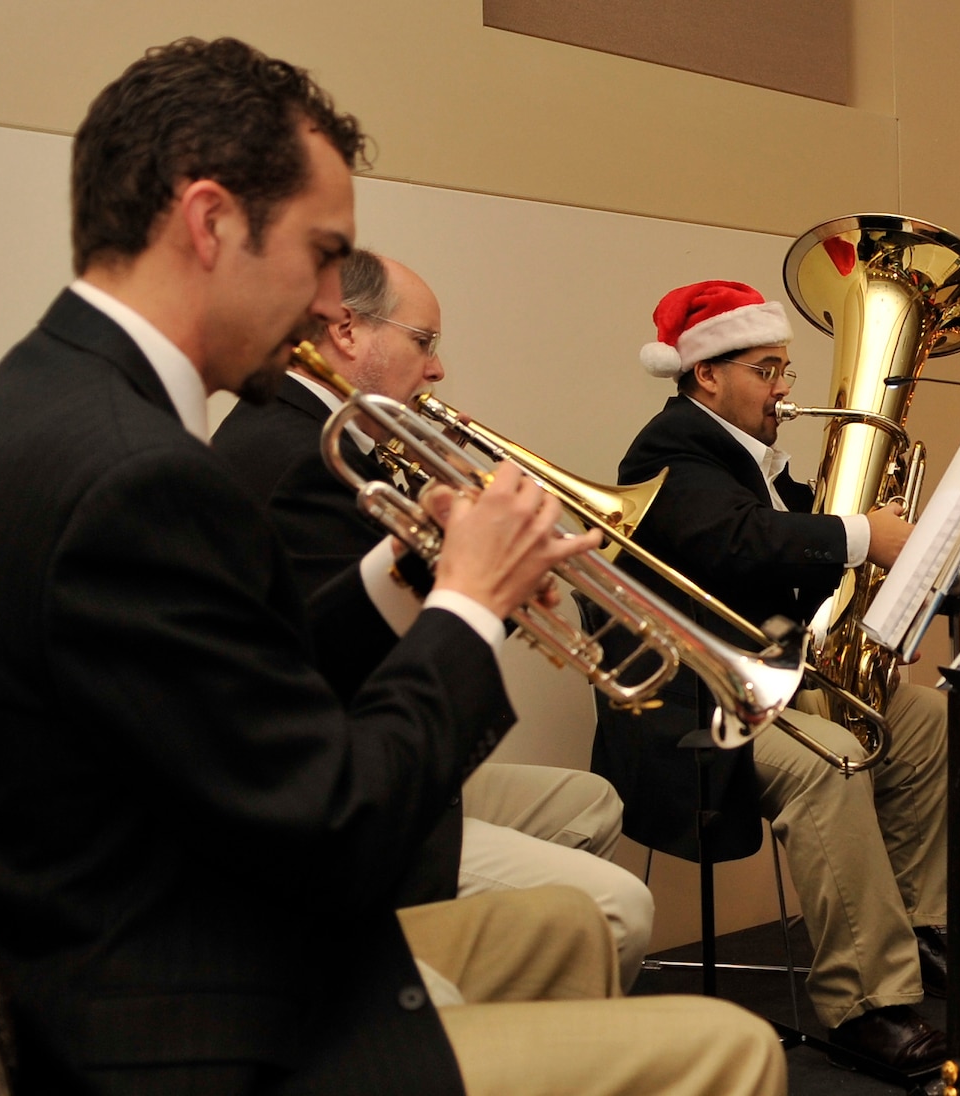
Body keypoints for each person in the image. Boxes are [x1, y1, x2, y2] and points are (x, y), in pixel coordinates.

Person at [0, 37, 783, 1096]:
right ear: (211, 221)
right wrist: (468, 606)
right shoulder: (135, 476)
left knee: (562, 928)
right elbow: (343, 829)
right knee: (734, 1047)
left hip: (163, 931)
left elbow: (232, 689)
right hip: (190, 1029)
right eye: (320, 253)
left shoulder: (23, 407)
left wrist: (406, 576)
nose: (326, 304)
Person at [214, 248, 655, 985]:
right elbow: (357, 667)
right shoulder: (298, 458)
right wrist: (483, 594)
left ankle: (526, 980)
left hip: (354, 749)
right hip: (334, 788)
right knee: (622, 906)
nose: (438, 369)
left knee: (593, 802)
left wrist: (497, 584)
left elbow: (385, 613)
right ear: (348, 332)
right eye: (424, 342)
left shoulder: (325, 439)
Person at [591, 279, 955, 1073]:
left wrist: (886, 589)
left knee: (924, 719)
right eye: (766, 369)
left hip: (769, 676)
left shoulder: (755, 463)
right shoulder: (669, 451)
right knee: (832, 759)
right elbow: (744, 542)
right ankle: (867, 1004)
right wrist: (863, 532)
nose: (785, 388)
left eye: (785, 369)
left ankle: (915, 928)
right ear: (706, 376)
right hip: (691, 698)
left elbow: (800, 564)